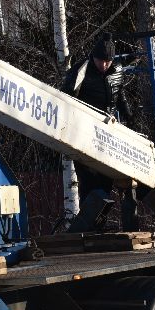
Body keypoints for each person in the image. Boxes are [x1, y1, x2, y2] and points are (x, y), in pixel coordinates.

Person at [61, 35, 134, 232]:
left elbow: (120, 96)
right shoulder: (81, 70)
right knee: (88, 182)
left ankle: (98, 224)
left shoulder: (117, 71)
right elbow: (66, 96)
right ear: (93, 57)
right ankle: (89, 226)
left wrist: (130, 117)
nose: (104, 65)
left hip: (107, 135)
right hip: (84, 133)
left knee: (105, 182)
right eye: (100, 60)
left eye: (107, 61)